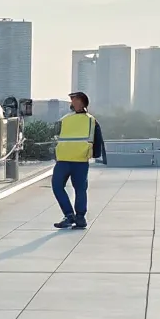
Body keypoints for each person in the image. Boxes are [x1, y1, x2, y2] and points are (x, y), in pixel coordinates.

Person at [51, 91, 105, 229]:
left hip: (75, 160)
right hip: (67, 159)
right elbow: (56, 136)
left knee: (77, 189)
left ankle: (78, 217)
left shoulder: (89, 120)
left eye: (74, 99)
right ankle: (71, 216)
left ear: (81, 102)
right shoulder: (69, 119)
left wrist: (95, 154)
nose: (72, 102)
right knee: (63, 187)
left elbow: (97, 139)